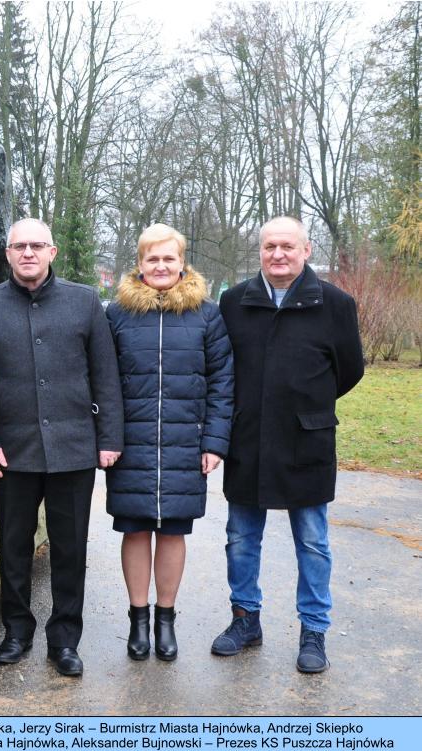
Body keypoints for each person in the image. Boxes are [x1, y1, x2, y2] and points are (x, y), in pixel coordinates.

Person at [0, 217, 123, 677]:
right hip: (10, 452)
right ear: (8, 253)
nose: (28, 253)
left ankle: (65, 640)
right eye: (19, 246)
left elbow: (105, 375)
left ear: (52, 252)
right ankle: (16, 632)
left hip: (74, 448)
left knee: (70, 550)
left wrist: (109, 438)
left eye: (37, 245)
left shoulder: (85, 302)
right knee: (14, 547)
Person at [211, 215, 364, 673]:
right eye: (269, 246)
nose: (278, 254)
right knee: (240, 537)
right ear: (259, 251)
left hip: (307, 440)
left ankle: (313, 631)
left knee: (313, 542)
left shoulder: (335, 303)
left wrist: (305, 403)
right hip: (247, 437)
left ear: (306, 250)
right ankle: (245, 620)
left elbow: (350, 369)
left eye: (288, 246)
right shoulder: (234, 301)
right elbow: (222, 367)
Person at [105, 223, 233, 662]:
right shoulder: (117, 314)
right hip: (132, 444)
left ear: (182, 263)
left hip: (185, 442)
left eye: (169, 258)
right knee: (136, 528)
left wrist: (214, 442)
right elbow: (103, 382)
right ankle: (137, 621)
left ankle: (165, 620)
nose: (161, 266)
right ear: (139, 265)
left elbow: (222, 383)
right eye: (152, 259)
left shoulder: (207, 315)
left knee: (174, 530)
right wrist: (107, 437)